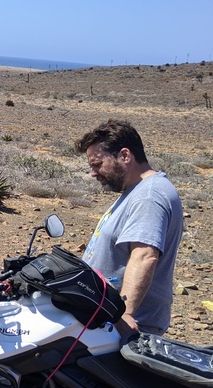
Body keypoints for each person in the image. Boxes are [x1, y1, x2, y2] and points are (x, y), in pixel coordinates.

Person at [76, 120, 183, 337]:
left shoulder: (149, 195)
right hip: (109, 322)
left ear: (125, 156)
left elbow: (145, 256)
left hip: (124, 328)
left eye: (97, 164)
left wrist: (124, 313)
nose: (94, 173)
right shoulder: (137, 191)